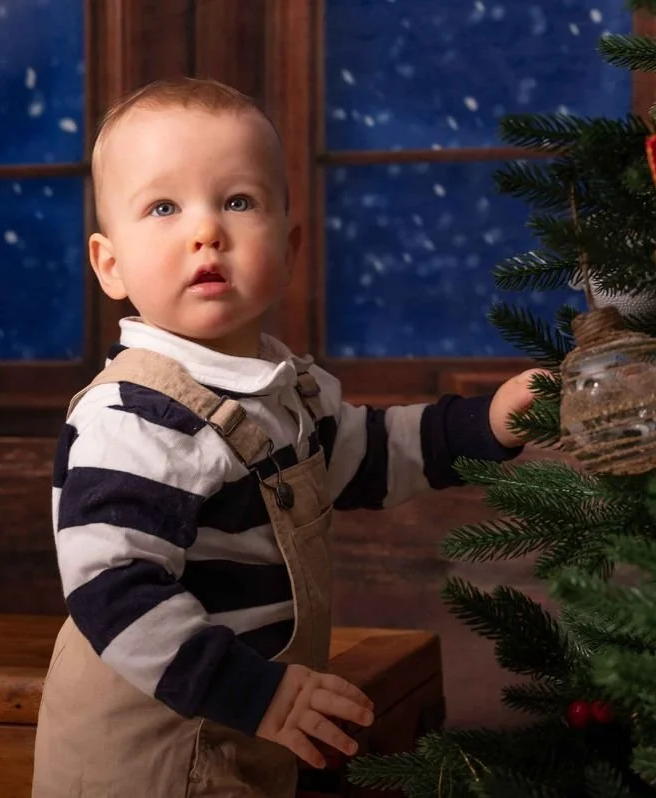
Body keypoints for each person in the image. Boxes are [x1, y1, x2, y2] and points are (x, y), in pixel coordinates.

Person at [30, 77, 545, 798]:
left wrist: (486, 423)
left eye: (238, 201)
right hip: (152, 752)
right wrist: (257, 694)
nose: (205, 230)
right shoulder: (132, 414)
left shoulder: (286, 388)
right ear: (109, 264)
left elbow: (373, 454)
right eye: (164, 207)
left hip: (253, 724)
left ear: (290, 243)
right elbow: (115, 590)